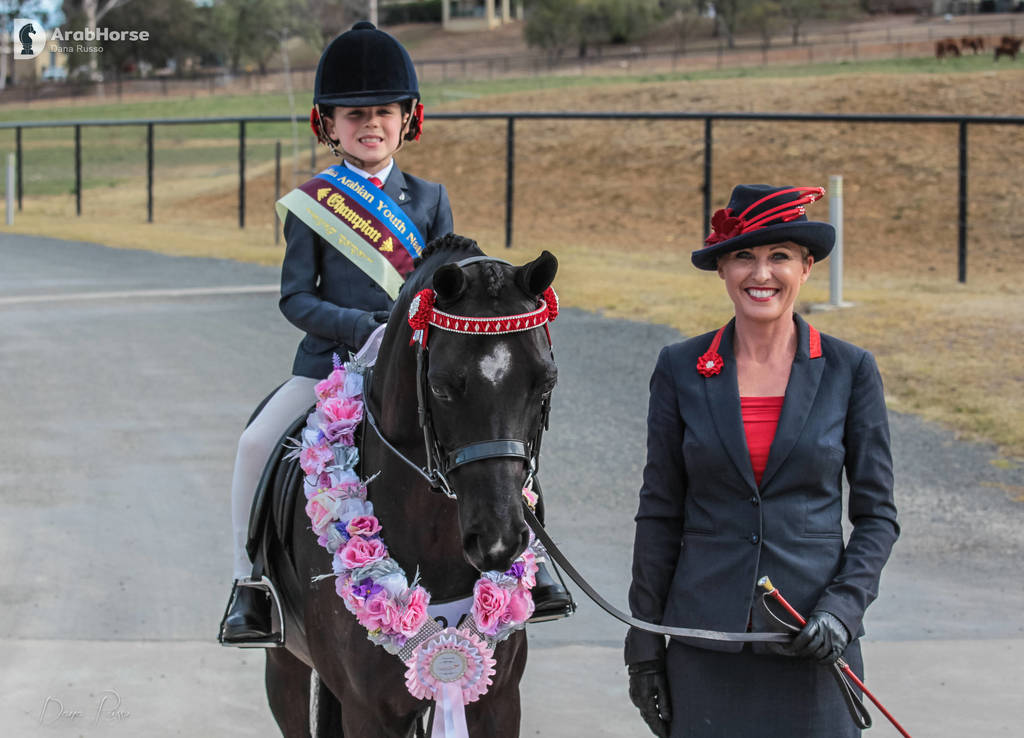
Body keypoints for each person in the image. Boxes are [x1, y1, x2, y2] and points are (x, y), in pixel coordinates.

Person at [624, 184, 900, 736]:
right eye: (744, 256)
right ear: (723, 268)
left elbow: (877, 518)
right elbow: (659, 512)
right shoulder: (679, 367)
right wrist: (645, 643)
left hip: (812, 643)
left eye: (779, 257)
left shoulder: (851, 370)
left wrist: (841, 612)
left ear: (806, 268)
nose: (761, 273)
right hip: (707, 647)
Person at [221, 21, 453, 644]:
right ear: (329, 123)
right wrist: (364, 326)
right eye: (354, 115)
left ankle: (525, 568)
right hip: (325, 366)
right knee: (254, 444)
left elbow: (444, 287)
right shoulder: (313, 201)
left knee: (495, 433)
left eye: (383, 111)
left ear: (407, 118)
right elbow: (295, 298)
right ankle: (249, 588)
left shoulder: (430, 200)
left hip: (410, 370)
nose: (370, 124)